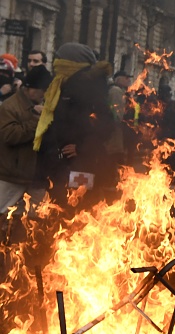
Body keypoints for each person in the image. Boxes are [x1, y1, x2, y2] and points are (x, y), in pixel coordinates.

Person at [34, 42, 114, 213]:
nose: (56, 65)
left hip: (79, 164)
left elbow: (106, 124)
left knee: (77, 209)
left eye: (60, 61)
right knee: (60, 207)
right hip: (60, 161)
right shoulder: (62, 84)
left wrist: (83, 148)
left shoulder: (88, 87)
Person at [0, 65, 52, 214]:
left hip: (32, 174)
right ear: (32, 88)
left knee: (30, 217)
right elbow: (9, 135)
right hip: (11, 175)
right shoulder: (10, 107)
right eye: (43, 91)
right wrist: (37, 120)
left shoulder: (36, 104)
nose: (44, 95)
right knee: (4, 213)